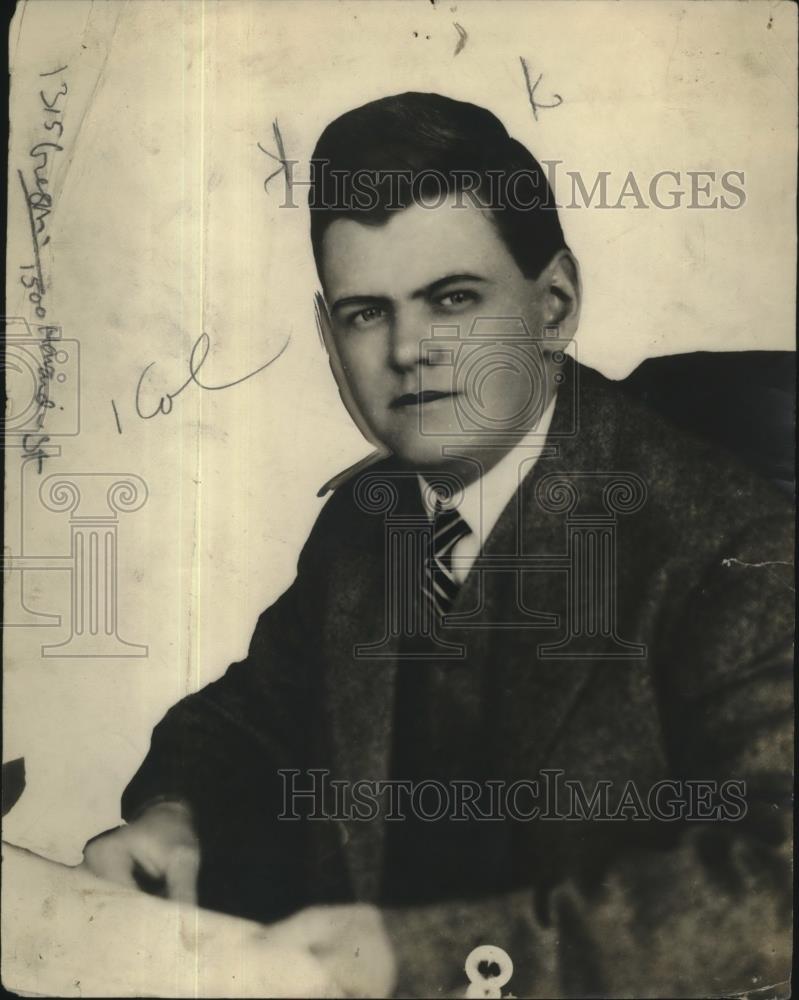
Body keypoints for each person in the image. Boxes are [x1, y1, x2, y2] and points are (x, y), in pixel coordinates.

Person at [82, 93, 792, 998]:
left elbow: (774, 888)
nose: (409, 349)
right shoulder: (371, 516)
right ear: (326, 335)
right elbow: (246, 722)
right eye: (365, 313)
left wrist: (421, 959)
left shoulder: (727, 539)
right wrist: (173, 814)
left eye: (451, 299)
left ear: (555, 303)